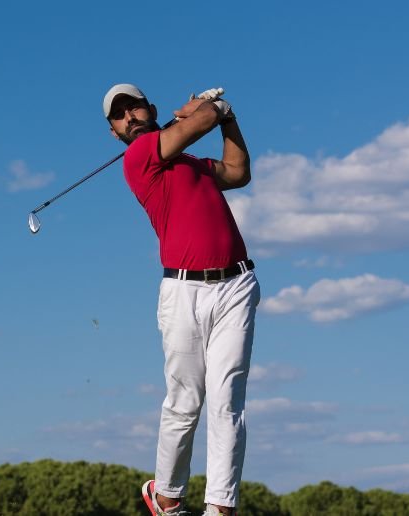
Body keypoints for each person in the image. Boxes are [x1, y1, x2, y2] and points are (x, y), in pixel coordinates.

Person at [102, 83, 261, 516]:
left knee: (228, 401)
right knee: (186, 399)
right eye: (120, 116)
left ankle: (220, 509)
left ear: (151, 110)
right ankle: (168, 498)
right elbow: (201, 122)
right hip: (182, 290)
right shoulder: (139, 157)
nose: (130, 117)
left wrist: (227, 118)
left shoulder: (191, 162)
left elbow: (238, 171)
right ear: (116, 134)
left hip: (236, 285)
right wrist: (210, 109)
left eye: (134, 107)